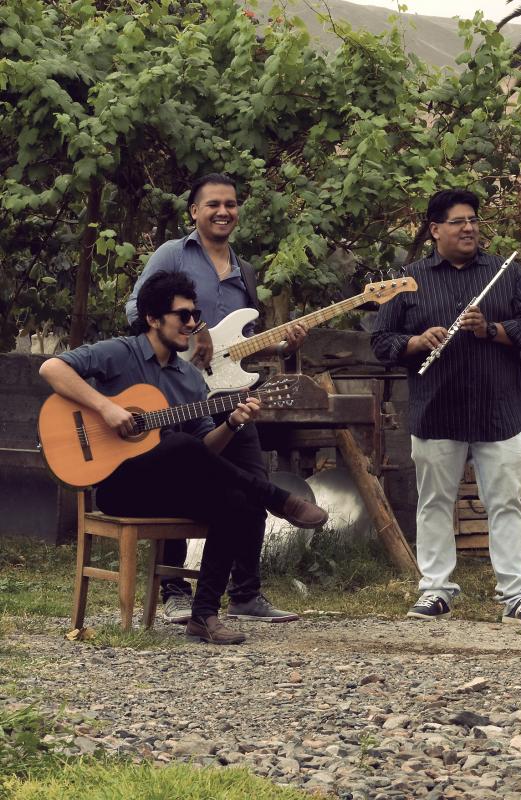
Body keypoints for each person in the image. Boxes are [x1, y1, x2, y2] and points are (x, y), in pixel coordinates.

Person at [39, 272, 327, 644]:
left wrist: (234, 425)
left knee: (234, 500)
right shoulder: (119, 353)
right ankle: (276, 498)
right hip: (117, 487)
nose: (193, 324)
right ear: (153, 319)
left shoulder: (192, 380)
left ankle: (204, 615)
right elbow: (52, 368)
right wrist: (107, 409)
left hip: (164, 489)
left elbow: (204, 453)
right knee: (177, 444)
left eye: (195, 315)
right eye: (184, 316)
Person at [123, 173, 307, 625]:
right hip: (174, 391)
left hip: (230, 394)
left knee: (249, 480)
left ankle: (246, 592)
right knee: (178, 477)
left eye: (231, 203)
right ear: (194, 212)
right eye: (213, 205)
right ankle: (174, 591)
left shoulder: (244, 271)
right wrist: (196, 330)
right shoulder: (172, 254)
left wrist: (284, 344)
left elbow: (238, 345)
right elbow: (135, 311)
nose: (223, 211)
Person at [371, 188, 521, 626]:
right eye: (458, 221)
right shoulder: (408, 279)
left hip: (499, 406)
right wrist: (416, 341)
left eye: (473, 220)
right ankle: (436, 591)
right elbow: (382, 342)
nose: (469, 228)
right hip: (437, 407)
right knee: (434, 501)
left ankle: (516, 594)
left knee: (506, 501)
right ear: (435, 230)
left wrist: (491, 329)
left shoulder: (503, 274)